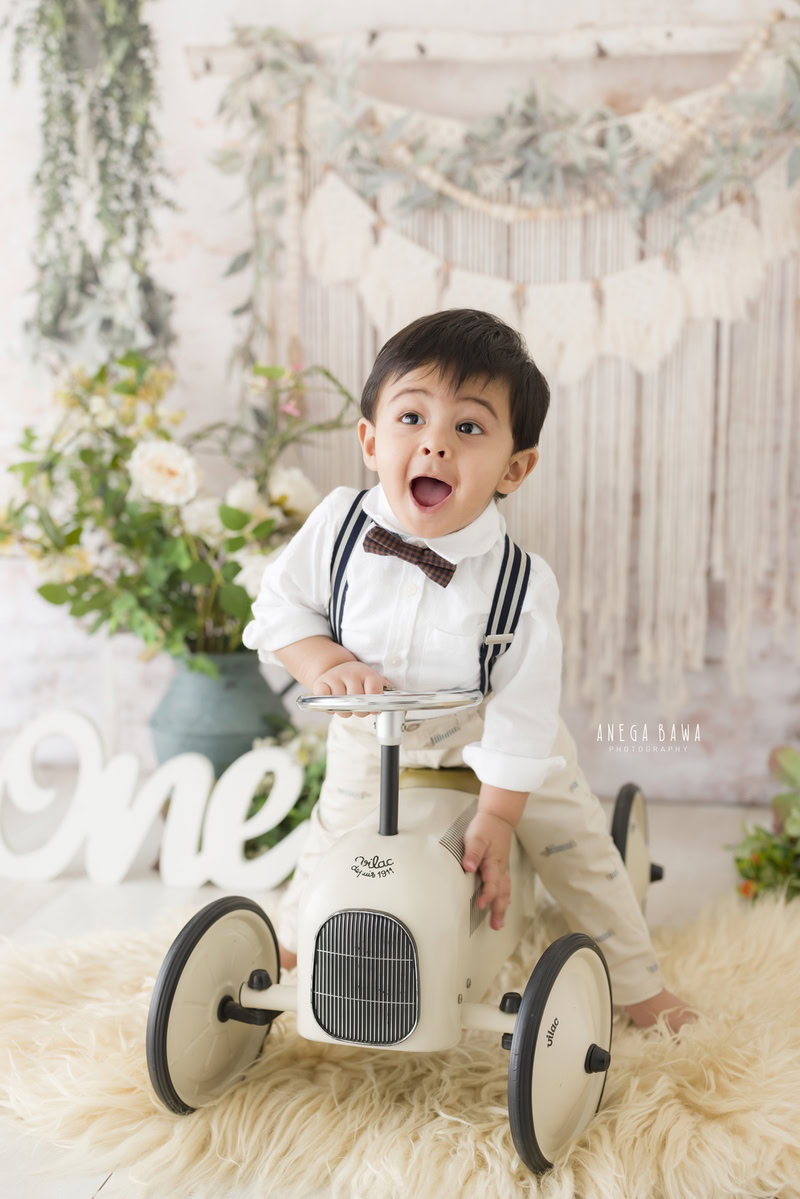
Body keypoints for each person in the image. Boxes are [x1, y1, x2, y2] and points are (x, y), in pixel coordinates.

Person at [243, 308, 699, 1036]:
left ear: (515, 467)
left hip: (490, 729)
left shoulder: (522, 581)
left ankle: (637, 983)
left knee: (574, 842)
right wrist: (325, 660)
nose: (434, 442)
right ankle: (298, 951)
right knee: (334, 834)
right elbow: (277, 606)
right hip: (373, 726)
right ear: (370, 439)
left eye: (469, 428)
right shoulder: (335, 525)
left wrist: (497, 813)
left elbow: (523, 705)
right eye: (412, 416)